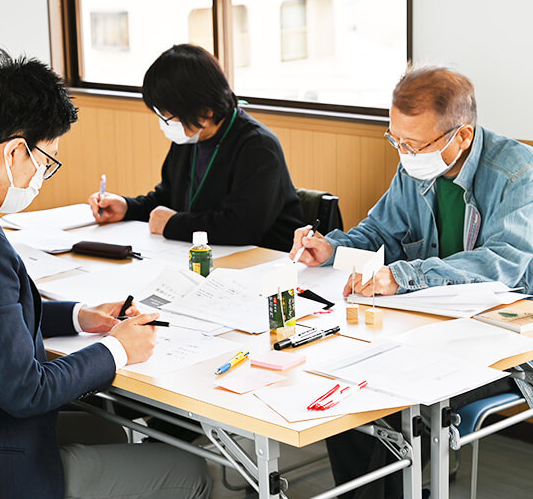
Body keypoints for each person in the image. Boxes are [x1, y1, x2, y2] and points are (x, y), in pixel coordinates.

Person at [0, 49, 211, 499]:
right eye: (46, 160)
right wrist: (119, 348)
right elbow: (27, 392)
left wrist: (80, 316)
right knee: (193, 472)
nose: (42, 176)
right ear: (16, 150)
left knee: (108, 431)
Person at [289, 65, 533, 498]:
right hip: (432, 326)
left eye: (414, 144)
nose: (404, 153)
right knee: (348, 390)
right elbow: (381, 230)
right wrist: (333, 248)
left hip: (505, 339)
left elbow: (501, 264)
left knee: (391, 404)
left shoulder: (519, 174)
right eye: (396, 140)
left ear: (463, 135)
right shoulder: (416, 165)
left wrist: (406, 275)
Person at [88, 44, 304, 251]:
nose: (165, 124)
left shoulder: (258, 147)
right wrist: (127, 207)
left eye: (168, 117)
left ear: (206, 111)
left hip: (264, 260)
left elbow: (242, 228)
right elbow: (167, 199)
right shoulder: (189, 138)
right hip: (204, 253)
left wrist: (173, 225)